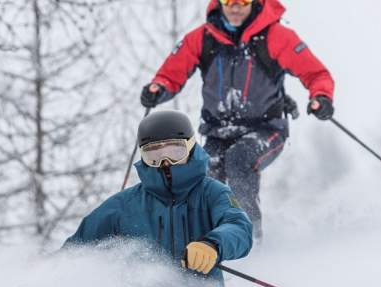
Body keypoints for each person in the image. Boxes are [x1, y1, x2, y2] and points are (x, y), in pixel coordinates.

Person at [140, 0, 335, 239]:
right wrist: (157, 88)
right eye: (228, 0)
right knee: (203, 170)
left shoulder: (275, 36)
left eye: (242, 1)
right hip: (218, 131)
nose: (234, 7)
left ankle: (248, 238)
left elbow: (316, 73)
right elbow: (171, 73)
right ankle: (202, 240)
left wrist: (321, 98)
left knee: (238, 160)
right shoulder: (203, 38)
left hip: (266, 129)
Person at [64, 110, 252, 287]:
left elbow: (238, 227)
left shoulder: (212, 193)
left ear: (191, 147)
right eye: (153, 155)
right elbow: (76, 250)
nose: (165, 162)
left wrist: (212, 244)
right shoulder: (123, 205)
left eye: (175, 151)